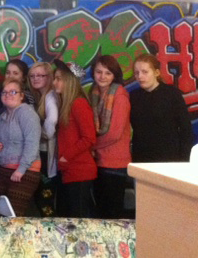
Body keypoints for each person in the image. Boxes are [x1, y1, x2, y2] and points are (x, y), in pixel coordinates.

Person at [0, 79, 41, 216]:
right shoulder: (3, 116)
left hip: (24, 172)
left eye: (13, 92)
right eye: (4, 92)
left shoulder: (27, 114)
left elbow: (32, 143)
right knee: (0, 214)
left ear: (21, 95)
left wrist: (21, 169)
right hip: (5, 170)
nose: (8, 95)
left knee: (14, 215)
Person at [89, 55, 131, 219]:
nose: (102, 77)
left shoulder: (120, 96)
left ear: (115, 75)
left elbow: (114, 134)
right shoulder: (94, 93)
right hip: (99, 160)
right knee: (100, 211)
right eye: (99, 72)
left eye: (108, 73)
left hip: (115, 163)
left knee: (112, 213)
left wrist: (90, 145)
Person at [52, 60, 97, 218]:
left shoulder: (79, 104)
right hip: (69, 170)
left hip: (80, 171)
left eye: (58, 78)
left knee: (78, 219)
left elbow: (89, 138)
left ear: (69, 81)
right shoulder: (67, 104)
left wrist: (66, 156)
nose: (54, 82)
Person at [130, 53, 193, 163]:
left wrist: (184, 159)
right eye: (137, 73)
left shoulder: (172, 94)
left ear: (156, 72)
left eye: (145, 72)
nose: (139, 76)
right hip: (141, 158)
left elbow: (185, 129)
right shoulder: (134, 96)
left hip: (169, 158)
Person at [28, 62, 59, 216]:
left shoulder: (50, 96)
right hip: (44, 153)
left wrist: (39, 135)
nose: (35, 79)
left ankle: (50, 228)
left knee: (45, 197)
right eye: (32, 76)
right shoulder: (41, 96)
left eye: (40, 75)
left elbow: (52, 122)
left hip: (47, 154)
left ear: (49, 77)